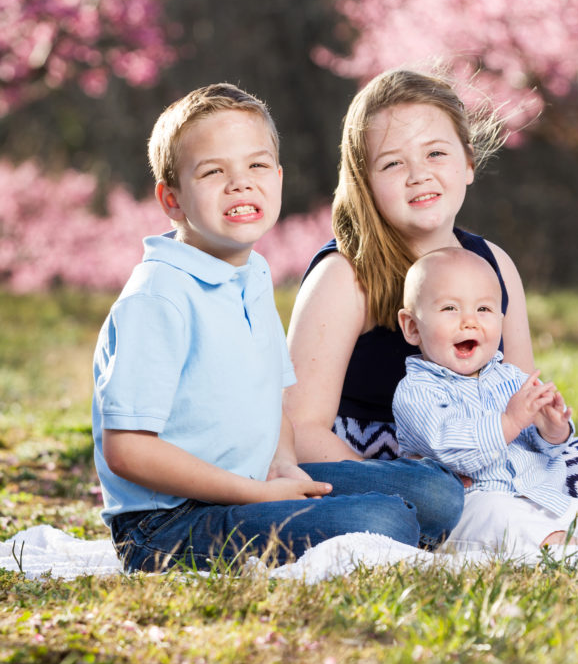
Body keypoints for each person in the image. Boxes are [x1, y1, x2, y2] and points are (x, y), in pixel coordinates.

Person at [92, 83, 463, 574]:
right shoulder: (159, 296)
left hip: (253, 478)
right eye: (213, 171)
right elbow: (127, 451)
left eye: (257, 166)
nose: (240, 184)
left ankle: (331, 515)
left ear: (279, 177)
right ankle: (351, 524)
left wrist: (284, 465)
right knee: (383, 520)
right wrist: (257, 494)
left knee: (436, 492)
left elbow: (275, 404)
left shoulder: (252, 275)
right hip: (168, 522)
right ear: (172, 199)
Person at [286, 66, 578, 522]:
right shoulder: (345, 274)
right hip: (394, 457)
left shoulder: (492, 261)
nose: (419, 174)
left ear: (469, 164)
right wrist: (397, 489)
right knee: (475, 506)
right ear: (365, 181)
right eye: (393, 163)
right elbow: (302, 428)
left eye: (436, 153)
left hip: (494, 444)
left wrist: (549, 426)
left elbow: (520, 395)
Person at [393, 247, 578, 557]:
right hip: (468, 506)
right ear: (412, 327)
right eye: (450, 308)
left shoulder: (511, 379)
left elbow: (546, 450)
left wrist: (553, 430)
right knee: (502, 520)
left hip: (539, 495)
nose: (470, 322)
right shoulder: (416, 391)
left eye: (484, 310)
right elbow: (450, 445)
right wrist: (509, 422)